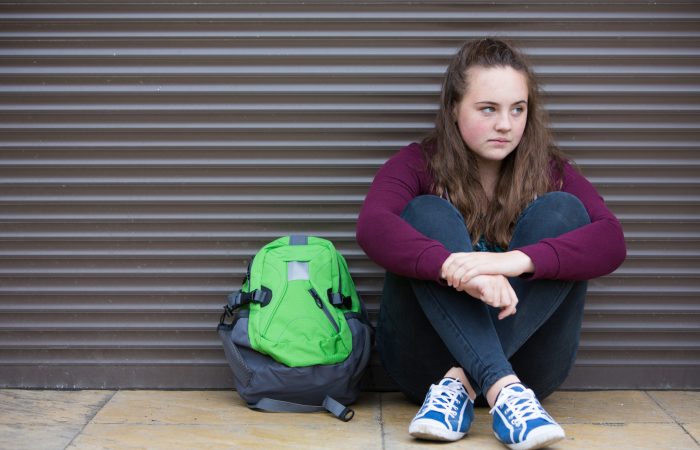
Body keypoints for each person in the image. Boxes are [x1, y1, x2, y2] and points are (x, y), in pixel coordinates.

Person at [355, 38, 626, 450]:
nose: (506, 124)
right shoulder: (417, 165)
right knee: (427, 213)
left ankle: (471, 382)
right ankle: (496, 389)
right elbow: (373, 227)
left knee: (566, 214)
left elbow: (610, 240)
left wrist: (514, 263)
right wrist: (454, 269)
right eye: (488, 109)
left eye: (517, 109)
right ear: (453, 110)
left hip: (528, 372)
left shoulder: (549, 171)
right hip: (424, 371)